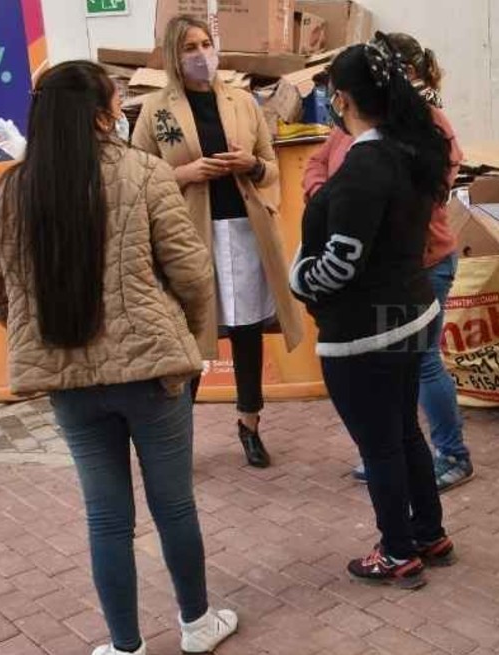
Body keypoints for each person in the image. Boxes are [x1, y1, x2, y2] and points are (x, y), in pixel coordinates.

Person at [0, 60, 237, 655]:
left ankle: (124, 646)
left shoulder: (10, 190)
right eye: (116, 102)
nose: (121, 110)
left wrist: (38, 333)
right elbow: (192, 271)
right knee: (174, 505)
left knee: (107, 519)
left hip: (69, 383)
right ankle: (196, 625)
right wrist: (185, 332)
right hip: (151, 375)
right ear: (99, 115)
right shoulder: (144, 172)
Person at [291, 43, 454, 588]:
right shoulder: (409, 148)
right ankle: (428, 530)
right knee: (404, 430)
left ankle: (397, 549)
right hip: (408, 311)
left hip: (366, 331)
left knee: (380, 442)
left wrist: (300, 281)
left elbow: (342, 260)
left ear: (340, 98)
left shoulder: (366, 164)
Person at [303, 32, 473, 492]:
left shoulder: (425, 125)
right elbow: (316, 166)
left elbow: (427, 190)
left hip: (420, 263)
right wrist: (329, 199)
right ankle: (391, 458)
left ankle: (451, 455)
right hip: (374, 271)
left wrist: (354, 203)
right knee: (392, 374)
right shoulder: (351, 128)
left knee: (419, 365)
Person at [133, 14, 305, 469]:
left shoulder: (243, 102)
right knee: (189, 335)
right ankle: (177, 436)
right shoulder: (155, 109)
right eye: (190, 47)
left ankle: (249, 424)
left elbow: (270, 167)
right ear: (174, 54)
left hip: (245, 230)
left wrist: (249, 163)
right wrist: (185, 174)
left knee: (247, 331)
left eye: (206, 43)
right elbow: (136, 179)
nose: (201, 54)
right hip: (187, 234)